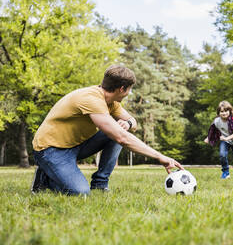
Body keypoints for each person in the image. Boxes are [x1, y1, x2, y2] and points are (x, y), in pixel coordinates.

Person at [31, 64, 184, 195]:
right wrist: (160, 157)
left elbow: (134, 123)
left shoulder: (110, 101)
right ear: (122, 89)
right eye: (129, 89)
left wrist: (128, 124)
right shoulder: (91, 99)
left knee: (118, 131)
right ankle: (44, 176)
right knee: (79, 193)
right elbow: (122, 138)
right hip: (50, 149)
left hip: (75, 146)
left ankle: (100, 184)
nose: (129, 93)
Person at [204, 101, 233, 179]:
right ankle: (226, 173)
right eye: (221, 111)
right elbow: (213, 130)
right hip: (224, 140)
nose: (224, 113)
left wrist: (226, 138)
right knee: (222, 155)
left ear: (230, 111)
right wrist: (208, 138)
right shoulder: (217, 121)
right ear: (218, 112)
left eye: (226, 111)